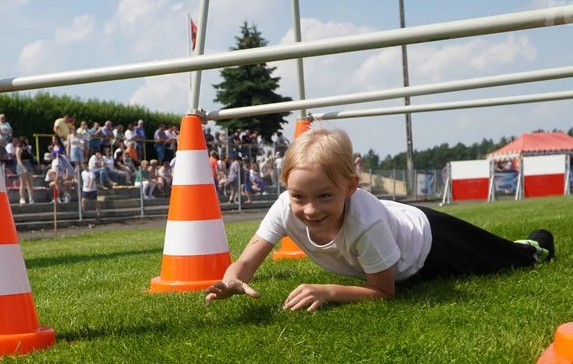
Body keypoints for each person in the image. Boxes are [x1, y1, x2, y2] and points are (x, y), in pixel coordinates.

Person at [204, 128, 554, 311]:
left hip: (430, 240)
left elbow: (384, 291)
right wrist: (231, 280)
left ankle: (535, 244)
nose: (310, 209)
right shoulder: (284, 207)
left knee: (514, 260)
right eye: (299, 196)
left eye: (325, 195)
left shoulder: (365, 224)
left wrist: (326, 291)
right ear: (287, 188)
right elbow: (245, 264)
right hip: (397, 239)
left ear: (351, 186)